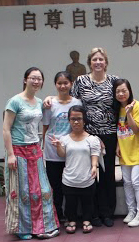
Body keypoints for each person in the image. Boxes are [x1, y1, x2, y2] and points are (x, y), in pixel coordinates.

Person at [47, 47, 119, 227]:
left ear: (106, 62)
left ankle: (107, 211)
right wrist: (50, 98)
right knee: (91, 174)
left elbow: (120, 106)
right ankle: (92, 213)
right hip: (88, 134)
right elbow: (70, 100)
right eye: (94, 59)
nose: (98, 62)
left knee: (107, 173)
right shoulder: (81, 80)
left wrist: (120, 136)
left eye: (101, 59)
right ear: (89, 62)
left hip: (109, 132)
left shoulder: (114, 81)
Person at [3, 67, 60, 240]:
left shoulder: (39, 101)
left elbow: (41, 121)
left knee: (41, 190)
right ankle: (22, 228)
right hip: (18, 150)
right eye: (33, 78)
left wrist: (50, 97)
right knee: (22, 191)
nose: (36, 81)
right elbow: (6, 129)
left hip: (35, 150)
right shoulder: (14, 102)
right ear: (25, 79)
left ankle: (44, 226)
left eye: (39, 79)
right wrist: (11, 154)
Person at [50, 105, 100, 234]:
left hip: (87, 177)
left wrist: (94, 167)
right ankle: (71, 220)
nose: (76, 122)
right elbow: (62, 155)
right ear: (69, 121)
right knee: (70, 203)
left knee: (88, 202)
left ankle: (86, 220)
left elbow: (95, 154)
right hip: (69, 178)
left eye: (79, 119)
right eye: (73, 119)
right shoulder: (64, 139)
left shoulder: (92, 139)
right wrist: (58, 146)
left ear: (84, 120)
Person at [42, 71, 82, 223]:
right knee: (56, 186)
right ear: (55, 85)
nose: (63, 86)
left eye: (66, 83)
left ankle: (72, 214)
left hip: (71, 150)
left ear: (71, 84)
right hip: (52, 151)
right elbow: (45, 127)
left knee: (71, 185)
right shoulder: (49, 104)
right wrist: (43, 146)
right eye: (59, 83)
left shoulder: (77, 103)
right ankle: (58, 214)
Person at [113, 79, 139, 227]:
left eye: (124, 90)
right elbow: (115, 129)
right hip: (124, 151)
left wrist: (129, 113)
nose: (121, 94)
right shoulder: (115, 108)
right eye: (118, 91)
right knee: (127, 182)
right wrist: (117, 146)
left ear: (129, 91)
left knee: (136, 182)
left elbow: (135, 129)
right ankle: (131, 211)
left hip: (138, 149)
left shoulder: (138, 106)